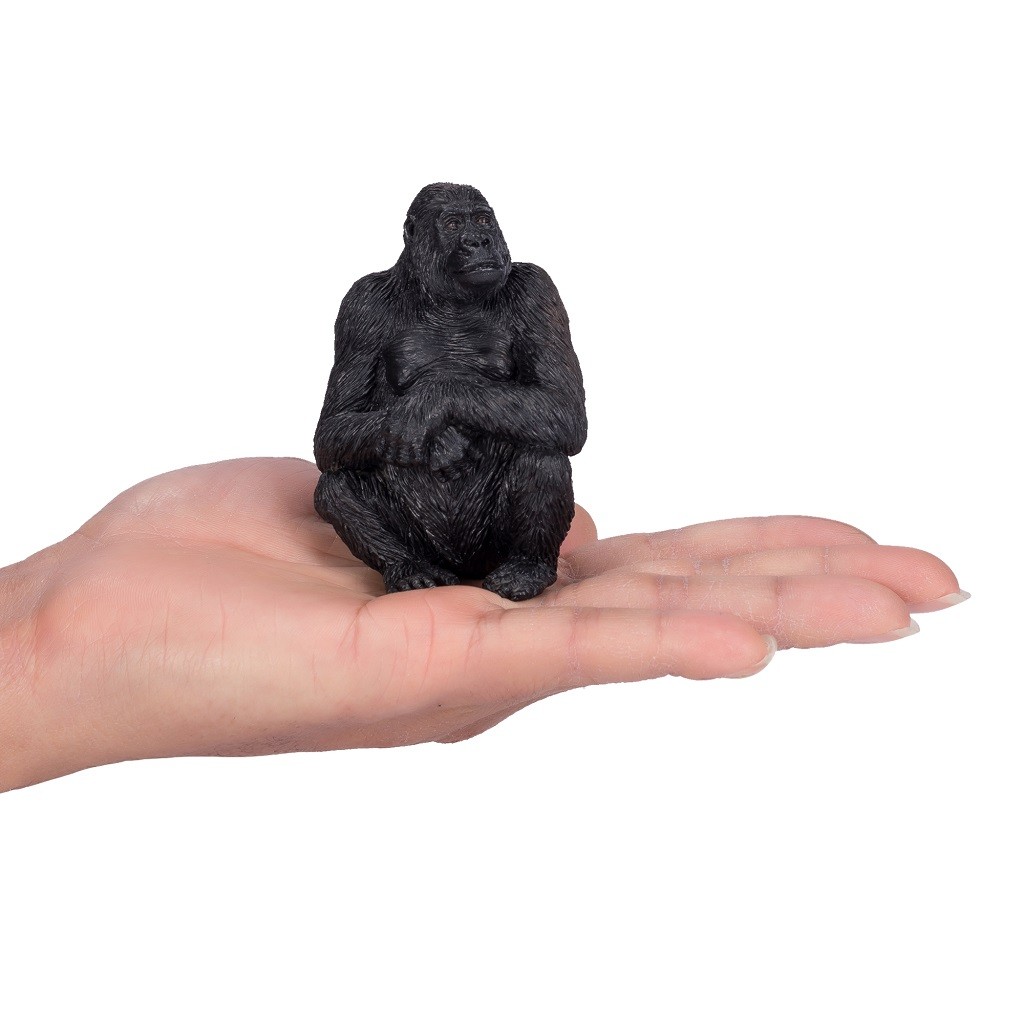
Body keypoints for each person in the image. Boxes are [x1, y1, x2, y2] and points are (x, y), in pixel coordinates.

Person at [0, 457, 968, 792]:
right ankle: (420, 567)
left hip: (502, 509)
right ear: (417, 246)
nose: (474, 249)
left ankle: (516, 566)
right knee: (341, 491)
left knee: (543, 476)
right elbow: (343, 434)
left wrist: (458, 404)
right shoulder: (377, 306)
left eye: (482, 231)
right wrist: (41, 640)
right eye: (453, 234)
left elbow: (560, 418)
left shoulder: (524, 297)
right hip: (406, 516)